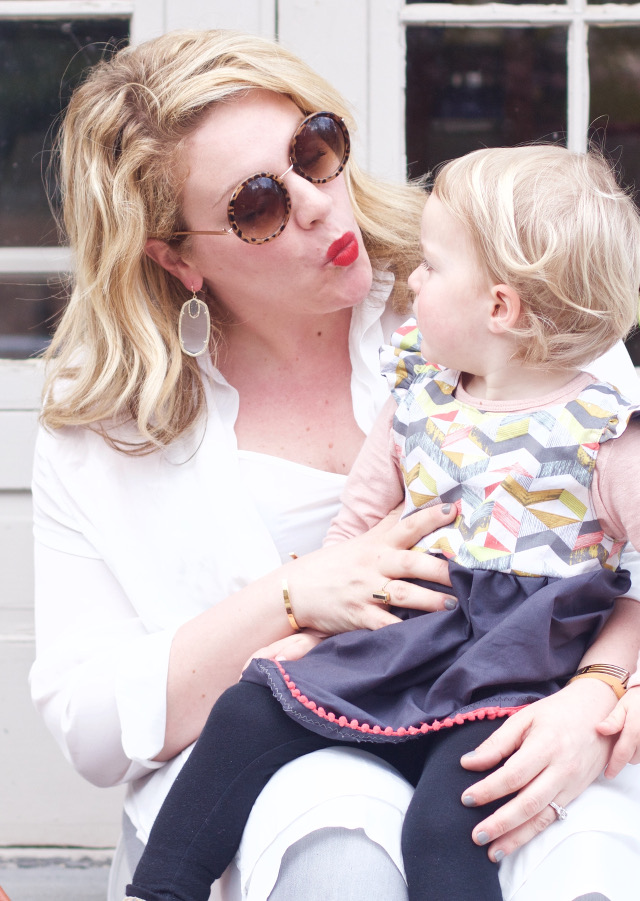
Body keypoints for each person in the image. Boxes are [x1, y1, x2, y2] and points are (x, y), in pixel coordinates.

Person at [29, 28, 640, 901]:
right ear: (176, 256)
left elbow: (625, 552)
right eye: (258, 205)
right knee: (339, 859)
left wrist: (600, 694)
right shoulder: (109, 421)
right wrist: (292, 597)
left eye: (315, 149)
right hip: (300, 769)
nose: (319, 202)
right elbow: (89, 724)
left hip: (525, 707)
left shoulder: (513, 292)